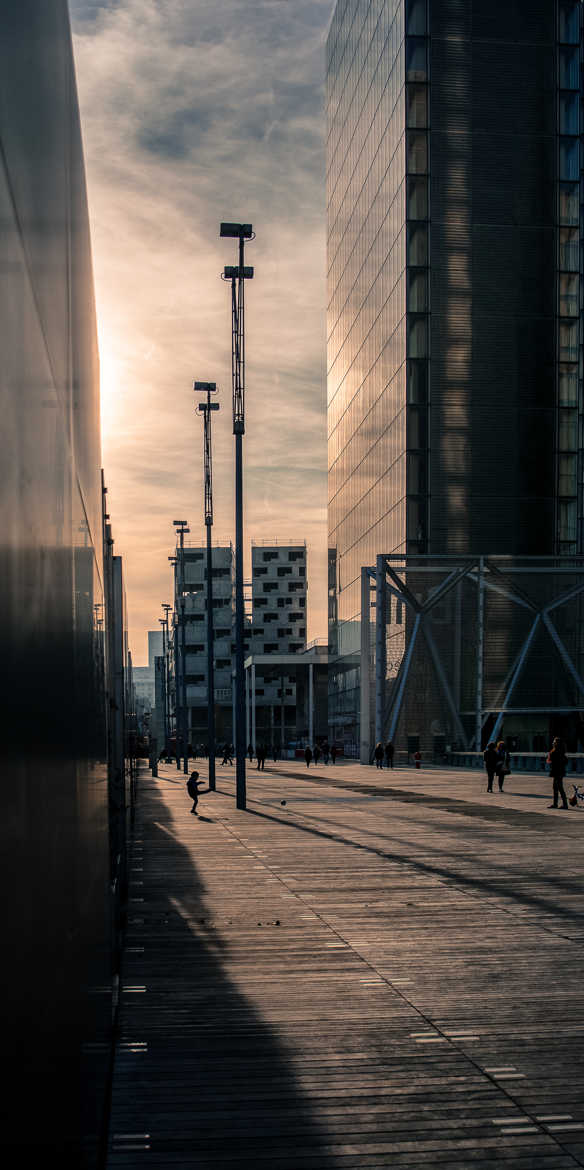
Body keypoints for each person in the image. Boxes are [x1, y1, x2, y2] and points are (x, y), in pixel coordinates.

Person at [547, 737, 569, 809]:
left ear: (557, 743)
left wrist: (550, 758)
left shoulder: (555, 752)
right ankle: (556, 804)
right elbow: (566, 761)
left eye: (554, 742)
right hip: (560, 771)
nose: (553, 743)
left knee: (559, 788)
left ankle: (564, 804)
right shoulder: (562, 752)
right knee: (556, 788)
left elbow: (550, 761)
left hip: (557, 772)